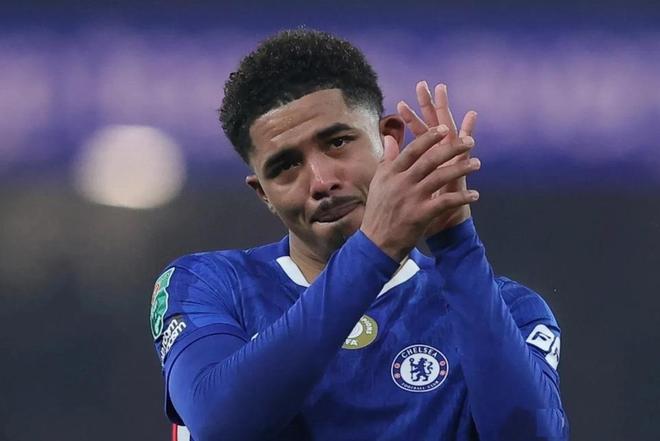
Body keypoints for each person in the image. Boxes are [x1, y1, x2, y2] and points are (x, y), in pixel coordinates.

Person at [149, 29, 568, 441]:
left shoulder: (512, 310)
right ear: (264, 194)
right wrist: (375, 250)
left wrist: (457, 247)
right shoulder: (207, 286)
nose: (321, 181)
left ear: (389, 138)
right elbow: (220, 424)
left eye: (337, 142)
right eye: (285, 166)